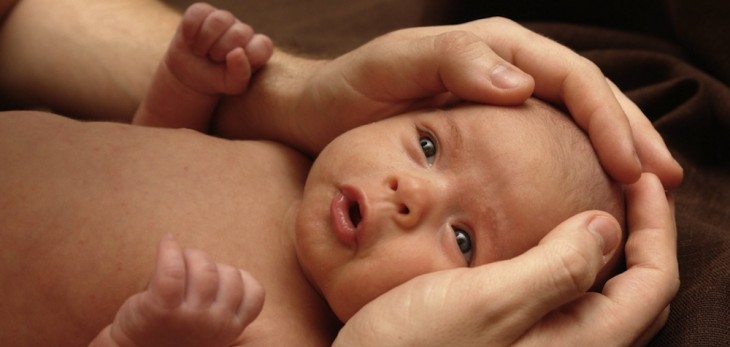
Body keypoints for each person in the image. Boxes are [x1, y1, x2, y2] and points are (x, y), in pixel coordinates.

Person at [0, 0, 680, 346]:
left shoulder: (275, 330)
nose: (410, 192)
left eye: (466, 239)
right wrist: (186, 85)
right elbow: (144, 162)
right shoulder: (289, 159)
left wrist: (137, 337)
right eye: (429, 146)